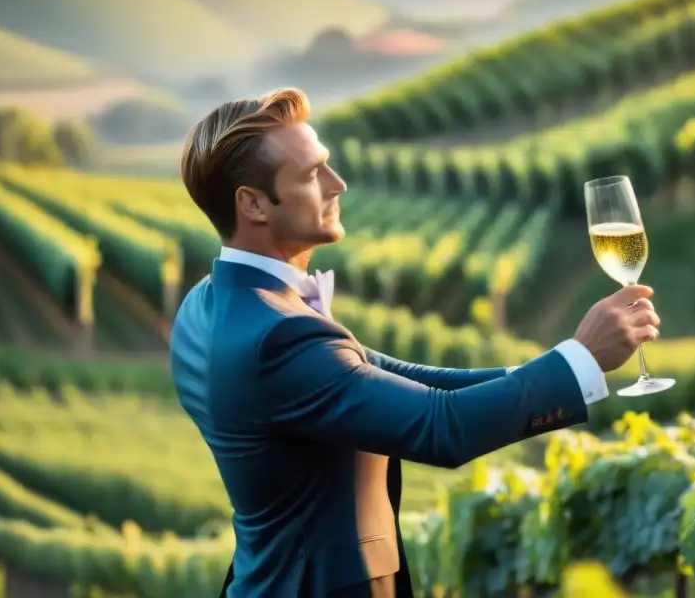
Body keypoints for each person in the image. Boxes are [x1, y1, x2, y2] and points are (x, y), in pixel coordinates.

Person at [170, 88, 661, 598]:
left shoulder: (206, 307)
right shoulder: (277, 336)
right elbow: (438, 428)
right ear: (252, 204)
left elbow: (406, 381)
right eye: (313, 174)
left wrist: (563, 360)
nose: (338, 185)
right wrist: (579, 361)